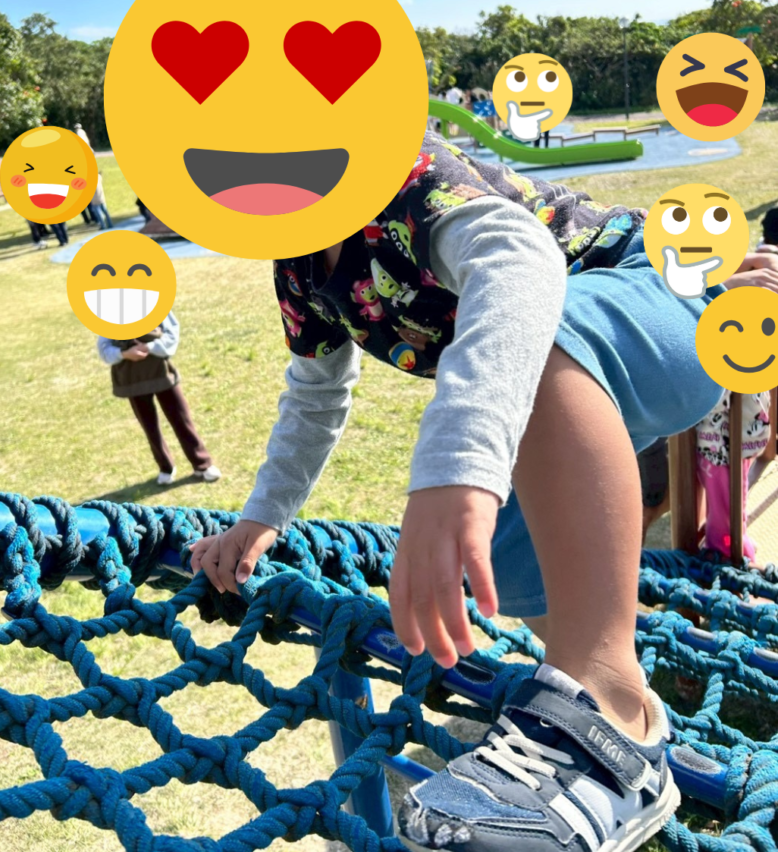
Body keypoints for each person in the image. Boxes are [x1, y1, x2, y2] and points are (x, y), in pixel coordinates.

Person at [188, 129, 733, 852]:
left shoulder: (400, 172)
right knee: (507, 564)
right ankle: (618, 734)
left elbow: (519, 262)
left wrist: (456, 467)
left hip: (661, 299)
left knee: (544, 336)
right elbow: (314, 395)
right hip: (574, 387)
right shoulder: (298, 262)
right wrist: (262, 516)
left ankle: (602, 703)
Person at [96, 311, 221, 485]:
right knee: (149, 425)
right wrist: (124, 354)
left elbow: (172, 333)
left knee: (181, 418)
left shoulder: (156, 305)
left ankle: (202, 464)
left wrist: (151, 347)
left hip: (161, 372)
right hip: (132, 379)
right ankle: (165, 467)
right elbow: (104, 348)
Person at [696, 389, 769, 561]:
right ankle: (727, 545)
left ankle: (733, 541)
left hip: (731, 443)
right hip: (722, 446)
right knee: (726, 503)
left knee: (731, 500)